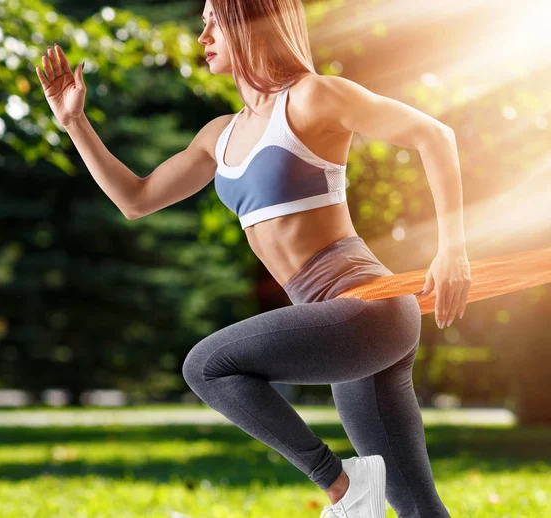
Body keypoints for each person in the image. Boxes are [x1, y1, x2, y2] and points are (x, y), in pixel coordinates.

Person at [36, 1, 470, 515]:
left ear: (247, 24)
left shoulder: (313, 97)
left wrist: (452, 250)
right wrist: (74, 123)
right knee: (416, 505)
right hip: (333, 320)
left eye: (212, 21)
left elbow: (433, 134)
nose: (202, 37)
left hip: (366, 305)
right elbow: (136, 199)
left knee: (208, 366)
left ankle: (342, 487)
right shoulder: (220, 135)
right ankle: (354, 490)